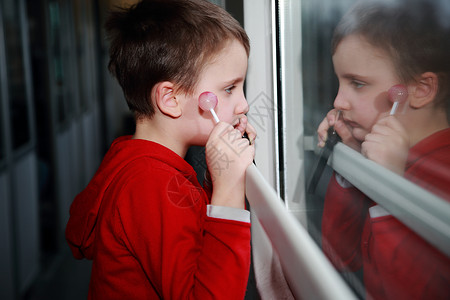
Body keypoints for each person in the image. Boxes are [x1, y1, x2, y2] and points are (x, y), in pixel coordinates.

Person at [65, 0, 256, 299]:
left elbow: (186, 228)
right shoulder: (151, 184)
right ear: (170, 99)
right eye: (229, 89)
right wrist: (230, 188)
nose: (243, 105)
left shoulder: (134, 159)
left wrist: (219, 171)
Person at [317, 0, 450, 299]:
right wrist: (350, 161)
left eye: (358, 83)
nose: (339, 101)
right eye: (339, 82)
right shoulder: (378, 154)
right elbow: (338, 256)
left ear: (420, 90)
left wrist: (393, 189)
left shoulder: (441, 172)